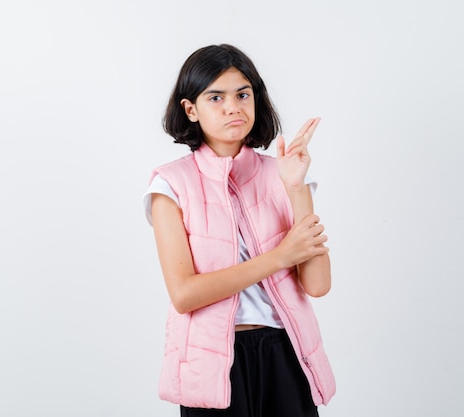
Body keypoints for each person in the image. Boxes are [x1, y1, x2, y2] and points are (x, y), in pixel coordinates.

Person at [143, 44, 336, 417]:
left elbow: (317, 285)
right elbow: (184, 294)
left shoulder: (284, 175)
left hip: (287, 352)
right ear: (191, 109)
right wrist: (280, 257)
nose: (233, 107)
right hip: (212, 364)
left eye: (243, 94)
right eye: (216, 97)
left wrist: (296, 188)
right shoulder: (170, 184)